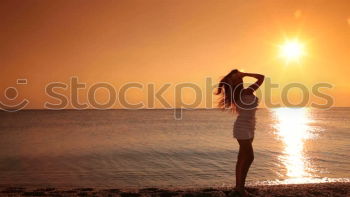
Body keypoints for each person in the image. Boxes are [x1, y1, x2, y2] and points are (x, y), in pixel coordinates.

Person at [215, 69, 264, 197]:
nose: (241, 78)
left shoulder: (246, 91)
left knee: (242, 158)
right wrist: (244, 75)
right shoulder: (240, 93)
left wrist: (245, 74)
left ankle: (239, 188)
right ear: (234, 81)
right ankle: (240, 188)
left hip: (251, 126)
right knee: (249, 157)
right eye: (238, 77)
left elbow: (261, 77)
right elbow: (261, 78)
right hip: (241, 127)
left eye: (241, 77)